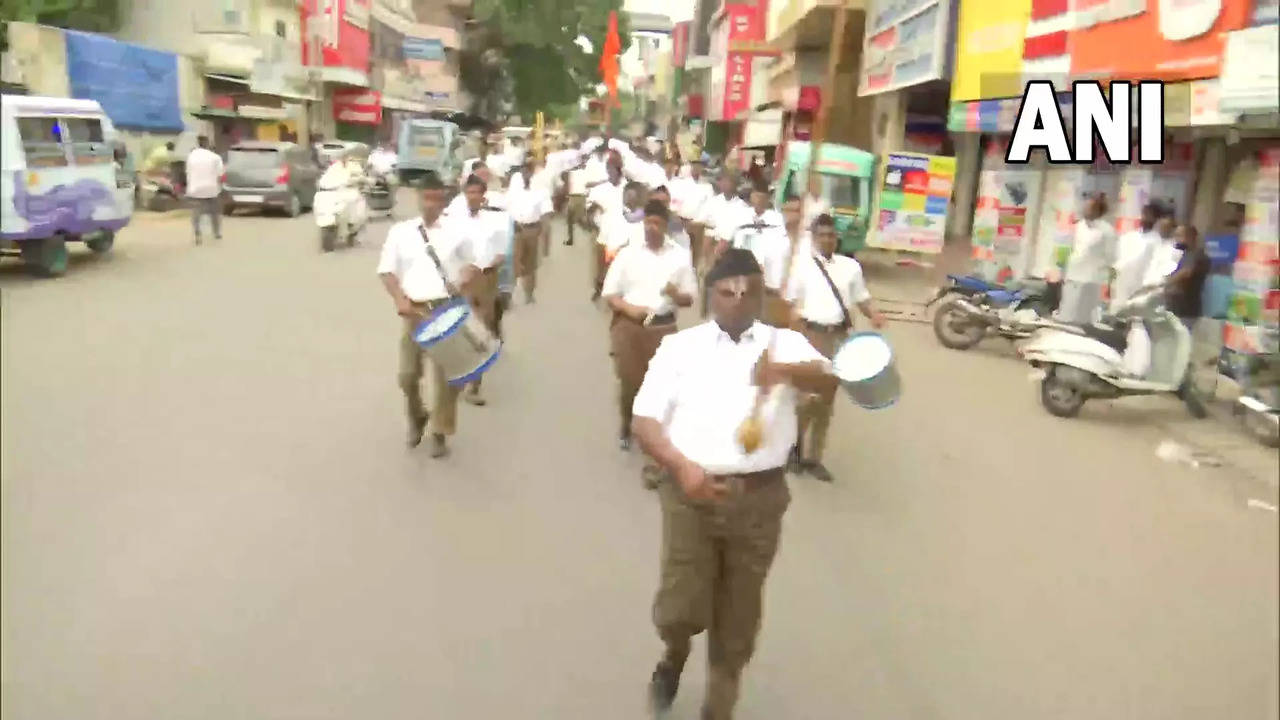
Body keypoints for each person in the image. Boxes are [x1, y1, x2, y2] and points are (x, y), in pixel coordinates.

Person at [632, 248, 835, 720]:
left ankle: (719, 705)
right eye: (727, 292)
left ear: (761, 296)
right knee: (680, 606)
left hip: (760, 501)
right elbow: (645, 421)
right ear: (711, 296)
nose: (738, 302)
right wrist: (682, 468)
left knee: (739, 615)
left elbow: (829, 382)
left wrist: (785, 372)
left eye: (749, 293)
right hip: (690, 496)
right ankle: (674, 654)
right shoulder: (680, 348)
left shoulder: (784, 344)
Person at [376, 172, 479, 458]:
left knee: (447, 378)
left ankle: (439, 431)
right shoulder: (401, 231)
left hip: (445, 308)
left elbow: (472, 264)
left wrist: (463, 281)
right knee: (407, 376)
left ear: (444, 200)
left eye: (436, 198)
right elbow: (387, 271)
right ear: (418, 199)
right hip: (414, 310)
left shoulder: (457, 231)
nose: (431, 203)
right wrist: (399, 299)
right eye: (426, 197)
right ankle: (417, 415)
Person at [785, 213, 886, 482]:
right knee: (806, 398)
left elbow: (862, 298)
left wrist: (874, 314)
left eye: (831, 235)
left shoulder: (850, 267)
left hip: (838, 338)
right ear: (814, 239)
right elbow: (791, 306)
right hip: (810, 336)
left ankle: (813, 458)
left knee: (826, 402)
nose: (828, 240)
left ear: (837, 238)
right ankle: (792, 448)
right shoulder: (802, 267)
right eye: (822, 235)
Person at [602, 198, 697, 455]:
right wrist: (630, 309)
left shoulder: (679, 256)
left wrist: (676, 295)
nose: (652, 227)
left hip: (663, 328)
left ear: (666, 226)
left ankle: (653, 442)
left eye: (657, 223)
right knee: (630, 382)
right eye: (648, 222)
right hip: (629, 326)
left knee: (659, 386)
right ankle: (626, 424)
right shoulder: (628, 254)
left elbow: (689, 298)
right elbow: (610, 294)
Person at [448, 173, 508, 407]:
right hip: (460, 279)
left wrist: (485, 265)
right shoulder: (453, 220)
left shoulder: (495, 221)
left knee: (480, 331)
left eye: (477, 193)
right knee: (460, 330)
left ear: (484, 196)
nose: (473, 197)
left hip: (485, 279)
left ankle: (474, 386)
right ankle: (458, 376)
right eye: (469, 192)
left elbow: (502, 254)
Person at [730, 183, 790, 327]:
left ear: (767, 198)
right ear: (751, 197)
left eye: (762, 196)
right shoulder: (741, 216)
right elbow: (736, 241)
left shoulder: (777, 219)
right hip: (743, 268)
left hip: (767, 270)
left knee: (764, 312)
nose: (758, 199)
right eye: (756, 195)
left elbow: (779, 245)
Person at [1059, 193, 1117, 323]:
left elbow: (1111, 258)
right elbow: (1070, 249)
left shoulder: (1107, 231)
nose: (1085, 209)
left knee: (1082, 318)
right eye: (1085, 206)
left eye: (1090, 207)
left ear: (1098, 210)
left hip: (1091, 281)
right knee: (1067, 314)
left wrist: (1107, 284)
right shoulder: (1078, 226)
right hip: (1072, 277)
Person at [507, 157, 553, 303]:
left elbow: (546, 214)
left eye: (529, 168)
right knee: (513, 263)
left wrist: (546, 239)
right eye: (524, 168)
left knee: (530, 265)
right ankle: (509, 296)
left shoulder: (541, 190)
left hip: (532, 229)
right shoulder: (514, 186)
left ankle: (529, 294)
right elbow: (506, 206)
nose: (526, 172)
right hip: (515, 229)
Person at [1111, 202, 1171, 309]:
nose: (1144, 218)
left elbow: (1157, 269)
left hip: (1141, 289)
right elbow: (1117, 261)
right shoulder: (1128, 237)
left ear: (1156, 219)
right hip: (1121, 286)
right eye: (1144, 214)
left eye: (1149, 215)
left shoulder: (1158, 242)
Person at [586, 160, 628, 299]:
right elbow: (588, 213)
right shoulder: (600, 189)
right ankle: (598, 287)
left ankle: (617, 293)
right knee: (601, 265)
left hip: (624, 234)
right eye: (608, 169)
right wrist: (593, 218)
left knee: (618, 266)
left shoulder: (629, 188)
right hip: (603, 233)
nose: (610, 172)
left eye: (613, 169)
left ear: (619, 170)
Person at [1164, 223, 1210, 333]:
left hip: (1186, 311)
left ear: (1189, 237)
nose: (1176, 239)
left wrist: (1164, 283)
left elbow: (1186, 273)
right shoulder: (1185, 255)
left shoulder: (1197, 255)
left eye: (1179, 236)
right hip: (1175, 309)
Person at [185, 135, 224, 245]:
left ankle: (197, 231)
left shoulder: (191, 156)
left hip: (195, 188)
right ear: (207, 143)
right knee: (215, 211)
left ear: (198, 143)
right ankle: (216, 232)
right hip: (211, 188)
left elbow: (188, 171)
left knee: (196, 211)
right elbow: (220, 174)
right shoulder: (215, 157)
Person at [648, 185, 690, 251]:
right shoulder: (643, 220)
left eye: (663, 203)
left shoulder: (674, 223)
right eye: (656, 203)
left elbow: (684, 246)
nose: (659, 207)